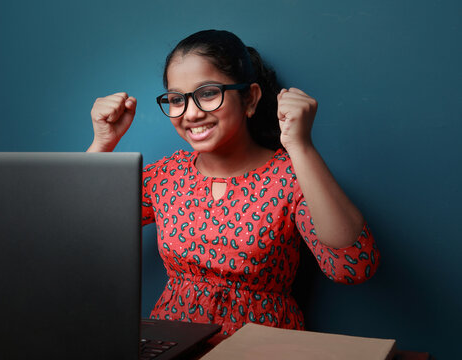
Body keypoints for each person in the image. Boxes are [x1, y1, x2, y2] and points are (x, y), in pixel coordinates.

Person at [87, 30, 379, 336]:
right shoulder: (166, 176)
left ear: (249, 98)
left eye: (208, 93)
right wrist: (102, 143)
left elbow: (352, 267)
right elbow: (84, 231)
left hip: (262, 347)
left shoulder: (290, 177)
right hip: (173, 345)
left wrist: (301, 146)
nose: (191, 113)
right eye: (176, 99)